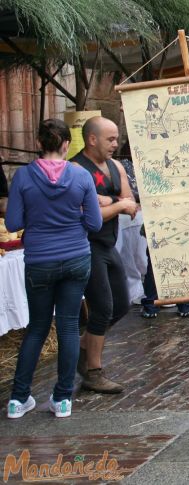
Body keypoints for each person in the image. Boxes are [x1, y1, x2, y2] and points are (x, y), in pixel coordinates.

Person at [5, 119, 102, 419]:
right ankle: (62, 399)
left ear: (38, 143)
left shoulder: (23, 177)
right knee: (69, 326)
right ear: (65, 145)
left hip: (39, 261)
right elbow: (95, 224)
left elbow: (12, 223)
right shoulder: (81, 176)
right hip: (76, 258)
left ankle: (18, 399)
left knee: (37, 327)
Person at [71, 116, 138, 394]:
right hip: (87, 245)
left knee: (122, 303)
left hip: (109, 245)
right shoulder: (76, 169)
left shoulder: (116, 167)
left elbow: (132, 203)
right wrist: (117, 204)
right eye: (110, 139)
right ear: (92, 139)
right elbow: (90, 217)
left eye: (116, 138)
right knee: (102, 308)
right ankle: (94, 371)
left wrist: (110, 201)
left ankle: (83, 344)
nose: (115, 144)